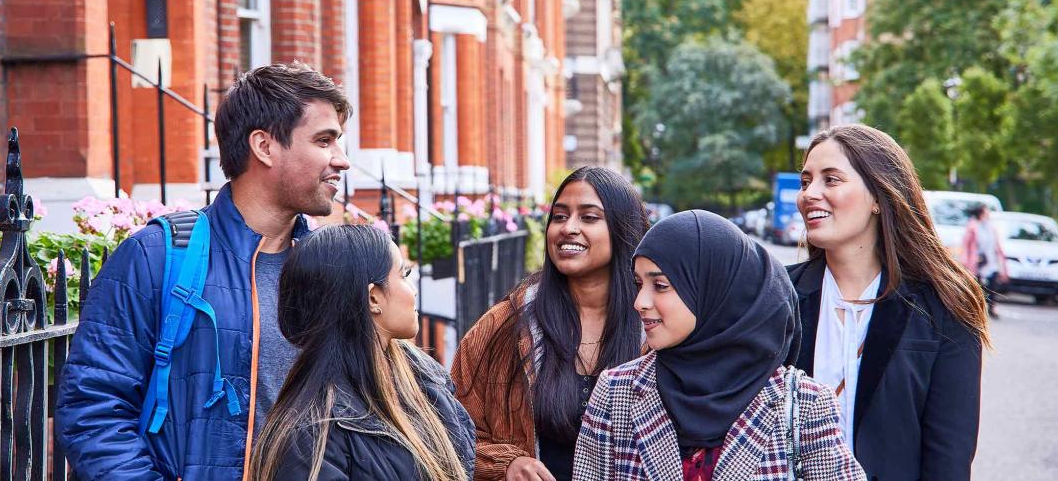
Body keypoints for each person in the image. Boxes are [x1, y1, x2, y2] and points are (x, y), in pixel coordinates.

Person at [56, 63, 351, 480]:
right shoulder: (156, 255)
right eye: (325, 141)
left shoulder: (329, 264)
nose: (343, 160)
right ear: (264, 147)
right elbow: (94, 408)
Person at [573, 210, 864, 481]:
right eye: (639, 284)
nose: (640, 302)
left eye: (660, 286)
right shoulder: (616, 393)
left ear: (713, 290)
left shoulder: (804, 405)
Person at [788, 124, 988, 479]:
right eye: (806, 182)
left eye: (830, 180)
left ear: (879, 197)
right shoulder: (778, 296)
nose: (809, 194)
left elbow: (948, 457)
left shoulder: (944, 305)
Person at [451, 167, 650, 481]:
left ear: (623, 230)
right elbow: (450, 428)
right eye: (559, 216)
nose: (568, 228)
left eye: (589, 217)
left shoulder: (653, 325)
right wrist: (506, 464)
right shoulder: (505, 325)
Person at [249, 224, 475, 480]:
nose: (412, 290)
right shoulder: (310, 437)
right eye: (403, 275)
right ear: (373, 298)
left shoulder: (423, 378)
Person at [962, 204, 1007, 319]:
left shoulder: (991, 227)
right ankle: (977, 308)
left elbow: (997, 245)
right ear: (981, 214)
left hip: (991, 261)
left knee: (993, 285)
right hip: (977, 262)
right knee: (978, 286)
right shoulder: (973, 227)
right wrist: (966, 261)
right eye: (986, 212)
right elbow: (966, 245)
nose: (988, 215)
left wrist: (1003, 263)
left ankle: (991, 307)